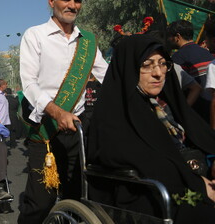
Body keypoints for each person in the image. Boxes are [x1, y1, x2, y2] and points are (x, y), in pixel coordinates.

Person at [87, 34, 215, 223]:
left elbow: (201, 135)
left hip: (185, 179)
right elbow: (139, 161)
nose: (158, 73)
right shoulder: (113, 114)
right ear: (130, 68)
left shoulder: (164, 102)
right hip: (144, 194)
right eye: (147, 65)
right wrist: (196, 184)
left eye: (163, 64)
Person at [18, 0, 108, 223]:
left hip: (77, 129)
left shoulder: (88, 42)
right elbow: (30, 84)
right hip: (46, 132)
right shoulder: (34, 35)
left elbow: (107, 76)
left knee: (78, 198)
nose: (73, 5)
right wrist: (57, 112)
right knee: (40, 202)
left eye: (78, 0)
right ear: (51, 1)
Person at [167, 20, 213, 123]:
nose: (168, 40)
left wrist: (182, 113)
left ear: (177, 37)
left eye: (169, 36)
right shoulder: (206, 53)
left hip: (197, 112)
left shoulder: (178, 57)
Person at [0, 79, 13, 147]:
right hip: (0, 119)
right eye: (5, 84)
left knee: (4, 137)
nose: (6, 86)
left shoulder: (3, 94)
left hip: (5, 119)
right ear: (2, 85)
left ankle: (2, 150)